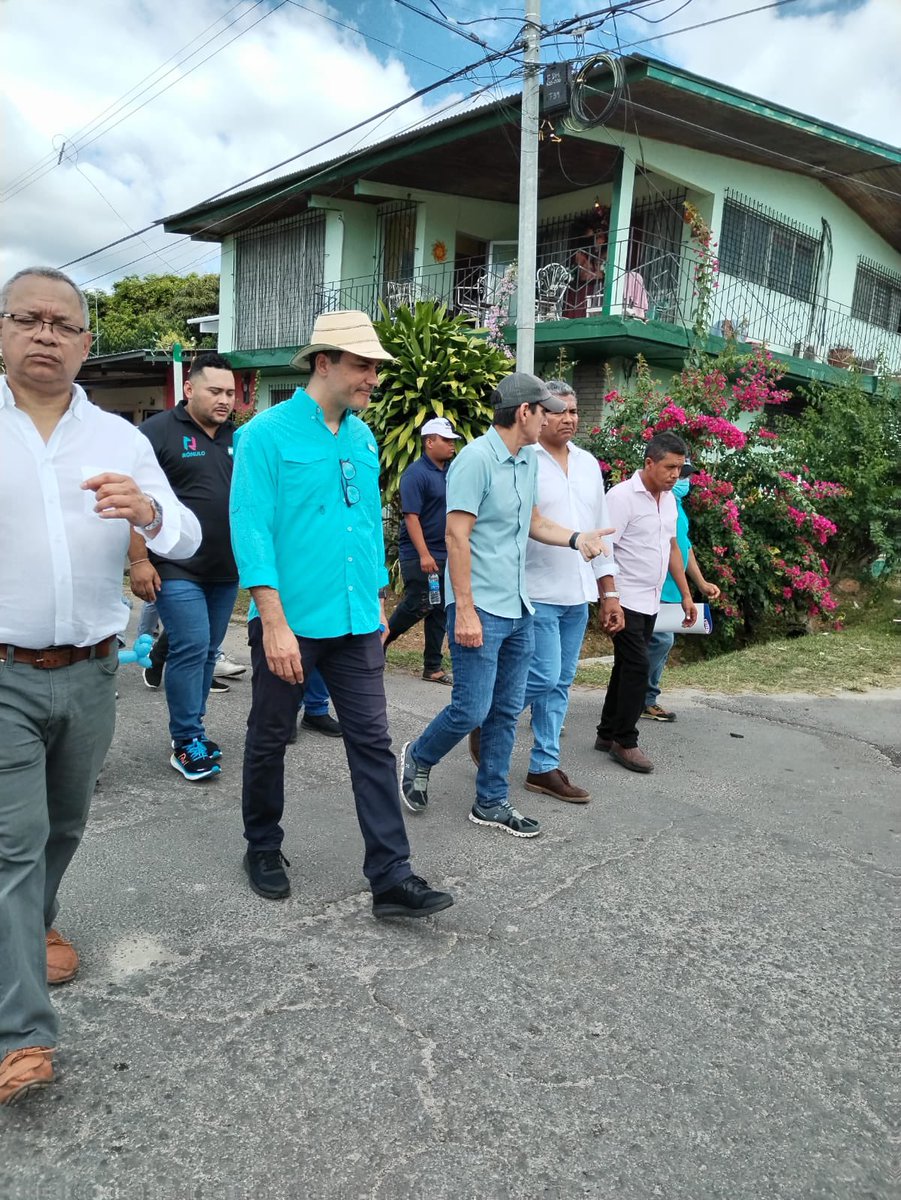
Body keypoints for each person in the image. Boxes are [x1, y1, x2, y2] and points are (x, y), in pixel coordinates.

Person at [0, 267, 200, 1106]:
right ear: (3, 331)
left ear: (87, 342)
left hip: (88, 671)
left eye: (63, 324)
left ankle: (30, 926)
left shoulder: (119, 438)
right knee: (13, 842)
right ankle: (23, 1034)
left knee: (66, 824)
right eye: (27, 319)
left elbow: (184, 529)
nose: (45, 335)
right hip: (2, 672)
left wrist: (150, 517)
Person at [230, 310, 452, 919]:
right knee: (271, 738)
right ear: (323, 362)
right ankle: (263, 847)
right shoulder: (265, 435)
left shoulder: (361, 436)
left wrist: (379, 600)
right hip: (291, 623)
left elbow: (362, 526)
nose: (374, 378)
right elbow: (251, 530)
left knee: (374, 745)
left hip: (356, 622)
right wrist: (271, 620)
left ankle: (391, 876)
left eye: (377, 367)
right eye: (363, 365)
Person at [399, 373, 613, 838]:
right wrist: (467, 609)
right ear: (525, 413)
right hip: (480, 606)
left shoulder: (526, 461)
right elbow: (456, 536)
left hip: (520, 606)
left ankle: (491, 800)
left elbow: (534, 521)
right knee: (471, 708)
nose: (552, 418)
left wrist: (577, 539)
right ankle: (418, 755)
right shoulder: (475, 460)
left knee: (505, 708)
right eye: (546, 410)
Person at [519, 381, 624, 804]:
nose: (569, 418)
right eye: (560, 411)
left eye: (574, 411)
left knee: (560, 681)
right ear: (539, 414)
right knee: (544, 675)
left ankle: (544, 766)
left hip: (577, 595)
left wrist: (609, 591)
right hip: (536, 589)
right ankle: (492, 714)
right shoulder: (524, 461)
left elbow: (601, 532)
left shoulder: (587, 464)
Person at [138, 352, 239, 780]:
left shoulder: (241, 438)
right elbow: (133, 499)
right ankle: (186, 739)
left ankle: (192, 729)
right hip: (174, 564)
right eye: (215, 391)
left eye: (231, 393)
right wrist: (139, 559)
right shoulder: (156, 432)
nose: (224, 400)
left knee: (206, 654)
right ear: (190, 388)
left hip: (227, 569)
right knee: (194, 647)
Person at [594, 431, 697, 774]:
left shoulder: (668, 500)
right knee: (638, 666)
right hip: (625, 599)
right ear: (649, 462)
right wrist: (609, 598)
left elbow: (671, 547)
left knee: (626, 666)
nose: (675, 475)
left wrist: (684, 594)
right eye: (670, 467)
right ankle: (626, 741)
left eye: (680, 469)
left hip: (652, 600)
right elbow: (604, 549)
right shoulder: (621, 497)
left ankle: (607, 733)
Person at [382, 415, 459, 685]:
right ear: (429, 442)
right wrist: (425, 555)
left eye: (452, 440)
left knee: (438, 608)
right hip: (420, 554)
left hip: (445, 551)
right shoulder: (416, 474)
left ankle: (432, 667)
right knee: (418, 603)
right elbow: (411, 517)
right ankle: (381, 640)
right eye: (446, 440)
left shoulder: (450, 472)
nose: (451, 445)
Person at [642, 462, 720, 721]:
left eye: (686, 475)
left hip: (674, 589)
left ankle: (643, 697)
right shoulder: (657, 504)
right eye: (678, 473)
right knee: (661, 641)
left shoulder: (677, 508)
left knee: (659, 644)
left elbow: (685, 549)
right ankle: (642, 698)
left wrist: (701, 583)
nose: (682, 479)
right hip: (657, 585)